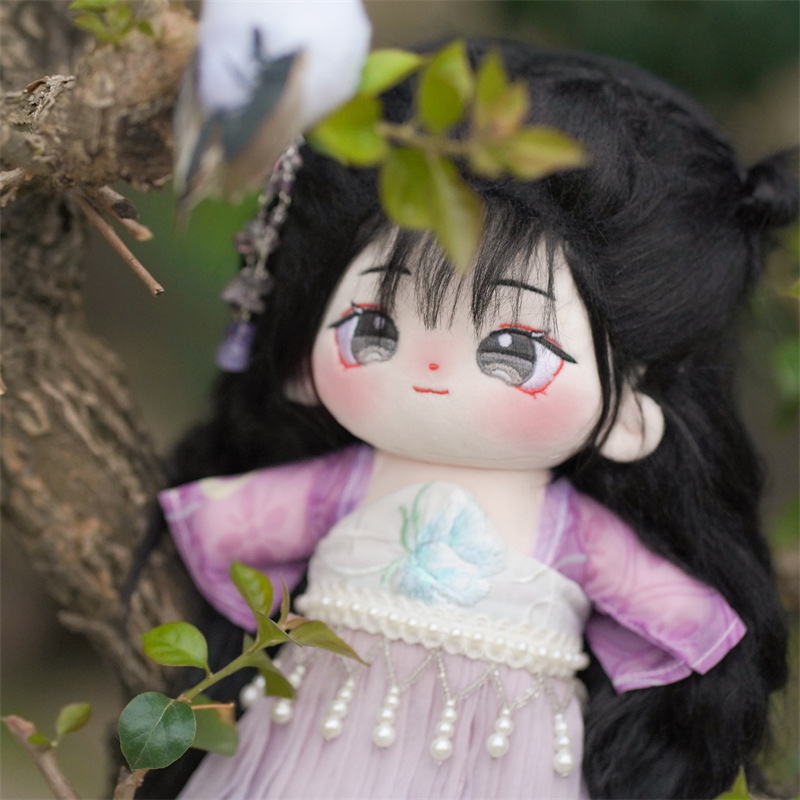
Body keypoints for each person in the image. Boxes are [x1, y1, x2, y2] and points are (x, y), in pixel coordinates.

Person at [137, 40, 796, 799]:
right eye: (375, 328)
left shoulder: (572, 534)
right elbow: (232, 523)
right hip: (316, 741)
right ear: (303, 364)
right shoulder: (343, 486)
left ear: (630, 419)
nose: (431, 370)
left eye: (514, 350)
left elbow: (684, 620)